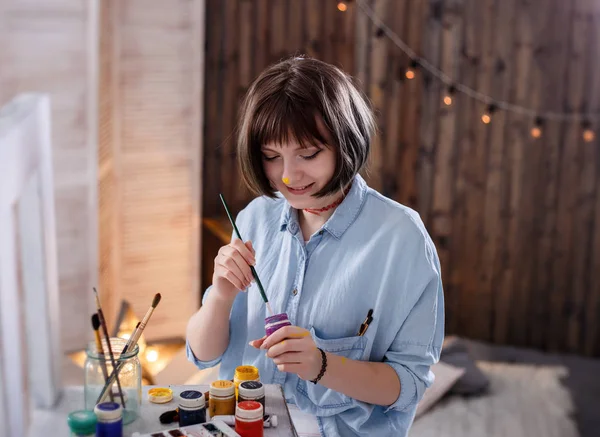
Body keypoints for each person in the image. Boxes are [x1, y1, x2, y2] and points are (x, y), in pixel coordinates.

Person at [186, 56, 444, 437]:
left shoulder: (401, 238)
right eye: (272, 157)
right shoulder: (255, 218)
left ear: (346, 140)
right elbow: (204, 353)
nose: (289, 175)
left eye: (308, 154)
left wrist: (322, 366)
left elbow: (408, 385)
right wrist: (220, 297)